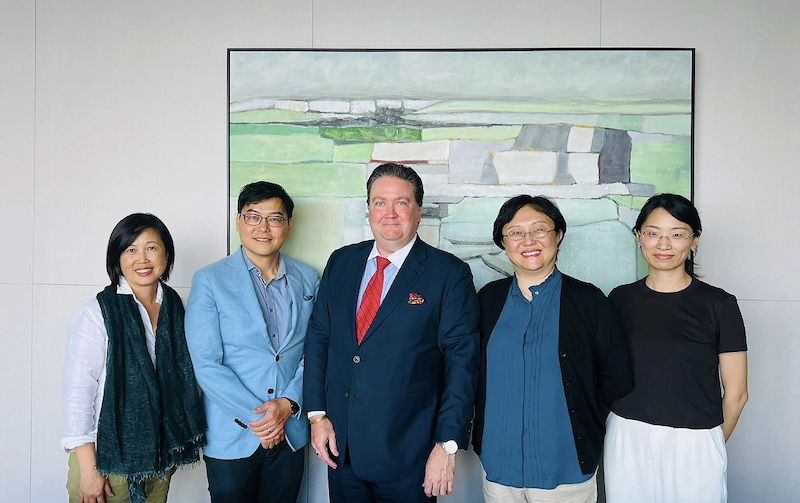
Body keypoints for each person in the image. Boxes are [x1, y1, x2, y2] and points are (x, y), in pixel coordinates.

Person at [303, 163, 480, 502]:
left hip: (410, 455)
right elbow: (319, 338)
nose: (390, 213)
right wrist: (317, 415)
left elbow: (462, 365)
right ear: (369, 209)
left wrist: (447, 444)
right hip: (343, 449)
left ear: (418, 210)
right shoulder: (341, 262)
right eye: (379, 202)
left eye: (401, 202)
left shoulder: (449, 274)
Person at [471, 195, 634, 503]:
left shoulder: (588, 300)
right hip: (498, 466)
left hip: (566, 468)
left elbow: (617, 377)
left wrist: (584, 418)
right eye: (515, 232)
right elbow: (469, 370)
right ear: (503, 242)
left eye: (539, 229)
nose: (528, 240)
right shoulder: (487, 300)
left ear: (558, 235)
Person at [603, 193, 748, 503]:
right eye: (653, 233)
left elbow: (737, 393)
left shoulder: (719, 304)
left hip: (694, 440)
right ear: (639, 238)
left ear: (694, 241)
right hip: (627, 435)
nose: (663, 244)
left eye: (677, 234)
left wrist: (708, 443)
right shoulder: (619, 299)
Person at [185, 181, 319, 503]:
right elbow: (206, 363)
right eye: (253, 217)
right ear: (238, 221)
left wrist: (287, 406)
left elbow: (314, 351)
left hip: (291, 432)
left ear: (288, 225)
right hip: (232, 433)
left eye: (274, 218)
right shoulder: (210, 279)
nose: (263, 227)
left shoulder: (309, 278)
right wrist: (262, 418)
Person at [61, 213, 206, 503]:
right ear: (117, 258)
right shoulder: (97, 313)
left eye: (152, 247)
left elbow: (185, 381)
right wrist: (90, 471)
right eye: (131, 250)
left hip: (159, 460)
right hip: (105, 460)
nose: (143, 258)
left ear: (167, 254)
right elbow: (78, 395)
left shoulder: (180, 309)